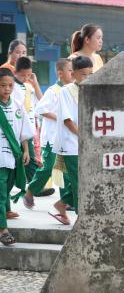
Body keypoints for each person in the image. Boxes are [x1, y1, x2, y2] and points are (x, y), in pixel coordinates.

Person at [23, 59, 73, 209]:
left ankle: (66, 201)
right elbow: (40, 109)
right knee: (48, 167)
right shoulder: (53, 91)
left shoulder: (70, 90)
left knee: (65, 169)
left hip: (65, 139)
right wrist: (60, 117)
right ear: (60, 73)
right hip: (51, 139)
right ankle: (30, 192)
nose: (73, 73)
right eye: (70, 70)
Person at [51, 55, 93, 225]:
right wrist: (84, 137)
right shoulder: (66, 91)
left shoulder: (90, 91)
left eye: (90, 74)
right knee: (79, 181)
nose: (87, 78)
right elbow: (68, 121)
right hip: (71, 144)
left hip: (86, 143)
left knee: (86, 179)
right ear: (73, 73)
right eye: (84, 74)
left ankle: (61, 204)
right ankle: (81, 217)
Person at [0, 68, 32, 246]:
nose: (7, 89)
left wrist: (25, 150)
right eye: (3, 85)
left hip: (12, 157)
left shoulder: (17, 105)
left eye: (10, 85)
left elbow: (23, 131)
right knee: (0, 193)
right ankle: (3, 230)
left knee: (5, 190)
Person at [12, 57, 42, 183]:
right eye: (22, 75)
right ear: (15, 72)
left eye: (28, 75)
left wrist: (35, 83)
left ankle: (35, 185)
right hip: (16, 126)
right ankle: (35, 185)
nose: (25, 78)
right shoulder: (11, 87)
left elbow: (41, 101)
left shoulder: (28, 87)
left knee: (29, 157)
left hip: (28, 127)